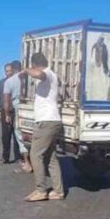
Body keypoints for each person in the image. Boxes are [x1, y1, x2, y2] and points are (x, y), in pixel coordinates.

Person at [20, 52, 65, 201]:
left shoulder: (47, 74)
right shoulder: (51, 75)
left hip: (46, 122)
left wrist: (26, 70)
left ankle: (41, 190)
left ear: (34, 64)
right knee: (51, 157)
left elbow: (40, 75)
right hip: (51, 121)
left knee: (35, 155)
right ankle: (58, 191)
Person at [2, 60, 30, 172]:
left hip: (18, 110)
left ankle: (27, 163)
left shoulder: (9, 81)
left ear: (12, 69)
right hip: (31, 108)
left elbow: (6, 100)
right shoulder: (28, 78)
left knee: (20, 136)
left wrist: (7, 114)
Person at [0, 63, 20, 164]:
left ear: (13, 70)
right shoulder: (2, 82)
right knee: (5, 136)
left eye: (10, 71)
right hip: (4, 111)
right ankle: (5, 157)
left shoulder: (17, 81)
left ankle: (19, 157)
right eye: (6, 71)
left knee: (17, 135)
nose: (8, 73)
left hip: (15, 111)